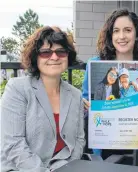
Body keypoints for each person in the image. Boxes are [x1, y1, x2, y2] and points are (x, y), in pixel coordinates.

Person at [1, 26, 85, 172]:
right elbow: (13, 144)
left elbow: (79, 140)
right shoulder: (17, 89)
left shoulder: (76, 95)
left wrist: (69, 166)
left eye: (61, 51)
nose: (54, 57)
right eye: (46, 53)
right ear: (36, 57)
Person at [82, 9, 138, 162]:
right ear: (110, 35)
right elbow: (84, 103)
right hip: (103, 142)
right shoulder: (94, 64)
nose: (122, 36)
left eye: (128, 30)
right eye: (116, 31)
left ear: (137, 34)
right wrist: (86, 106)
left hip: (137, 146)